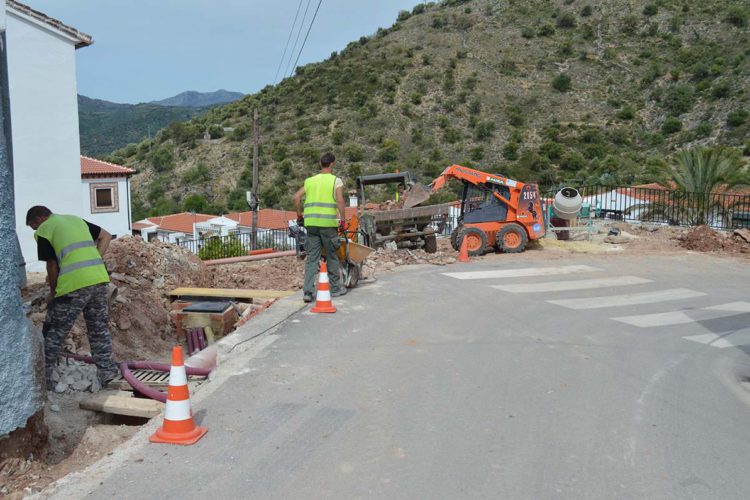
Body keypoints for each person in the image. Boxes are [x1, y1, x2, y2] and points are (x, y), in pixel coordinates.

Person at [25, 206, 119, 388]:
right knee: (99, 330)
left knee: (54, 331)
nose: (35, 231)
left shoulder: (45, 229)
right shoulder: (75, 219)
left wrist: (53, 292)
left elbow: (52, 265)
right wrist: (95, 261)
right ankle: (108, 373)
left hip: (73, 285)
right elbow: (106, 235)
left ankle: (44, 380)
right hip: (99, 279)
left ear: (38, 219)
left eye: (33, 227)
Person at [293, 152, 347, 303]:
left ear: (320, 164)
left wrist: (299, 215)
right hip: (328, 225)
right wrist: (342, 220)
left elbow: (296, 197)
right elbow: (340, 201)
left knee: (312, 258)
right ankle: (335, 289)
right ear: (332, 164)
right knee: (331, 256)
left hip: (311, 225)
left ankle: (308, 292)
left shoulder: (310, 181)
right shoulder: (336, 181)